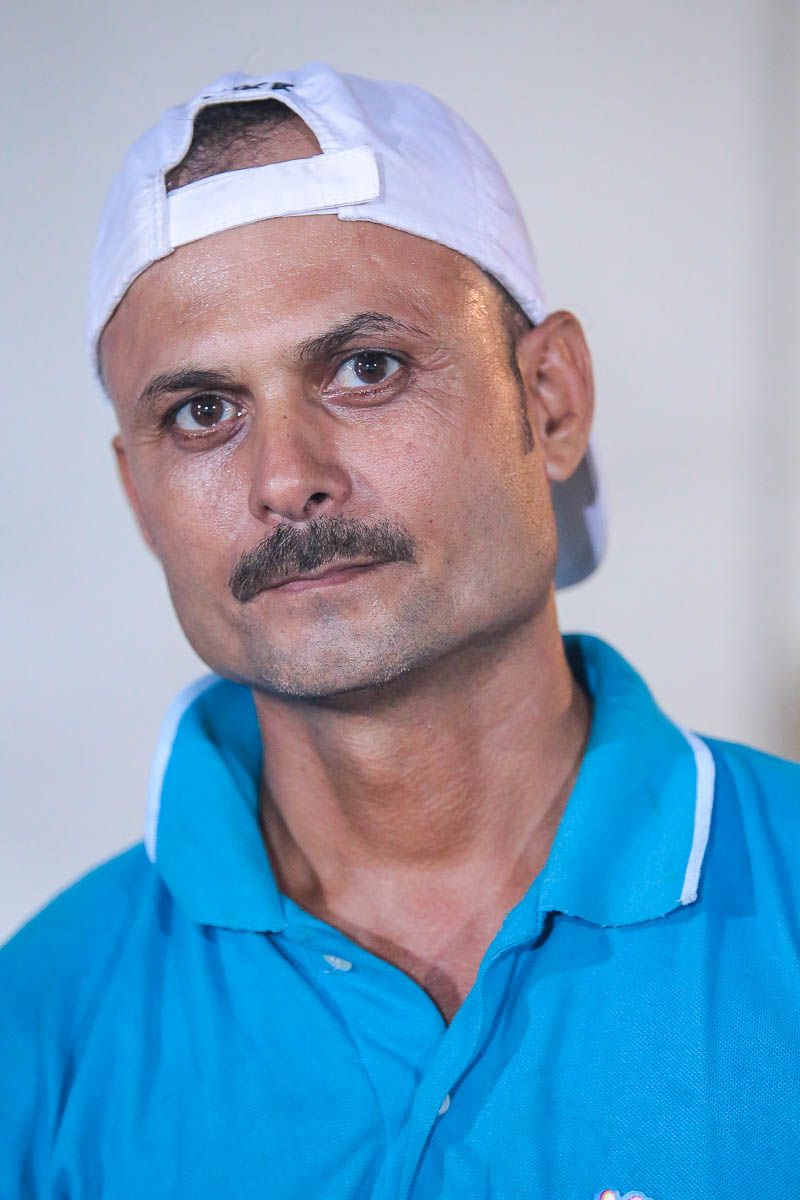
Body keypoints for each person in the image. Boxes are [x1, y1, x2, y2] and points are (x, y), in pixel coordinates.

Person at [1, 61, 798, 1200]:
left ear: (550, 401)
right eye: (202, 412)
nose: (286, 478)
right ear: (138, 495)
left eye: (364, 369)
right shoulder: (38, 1032)